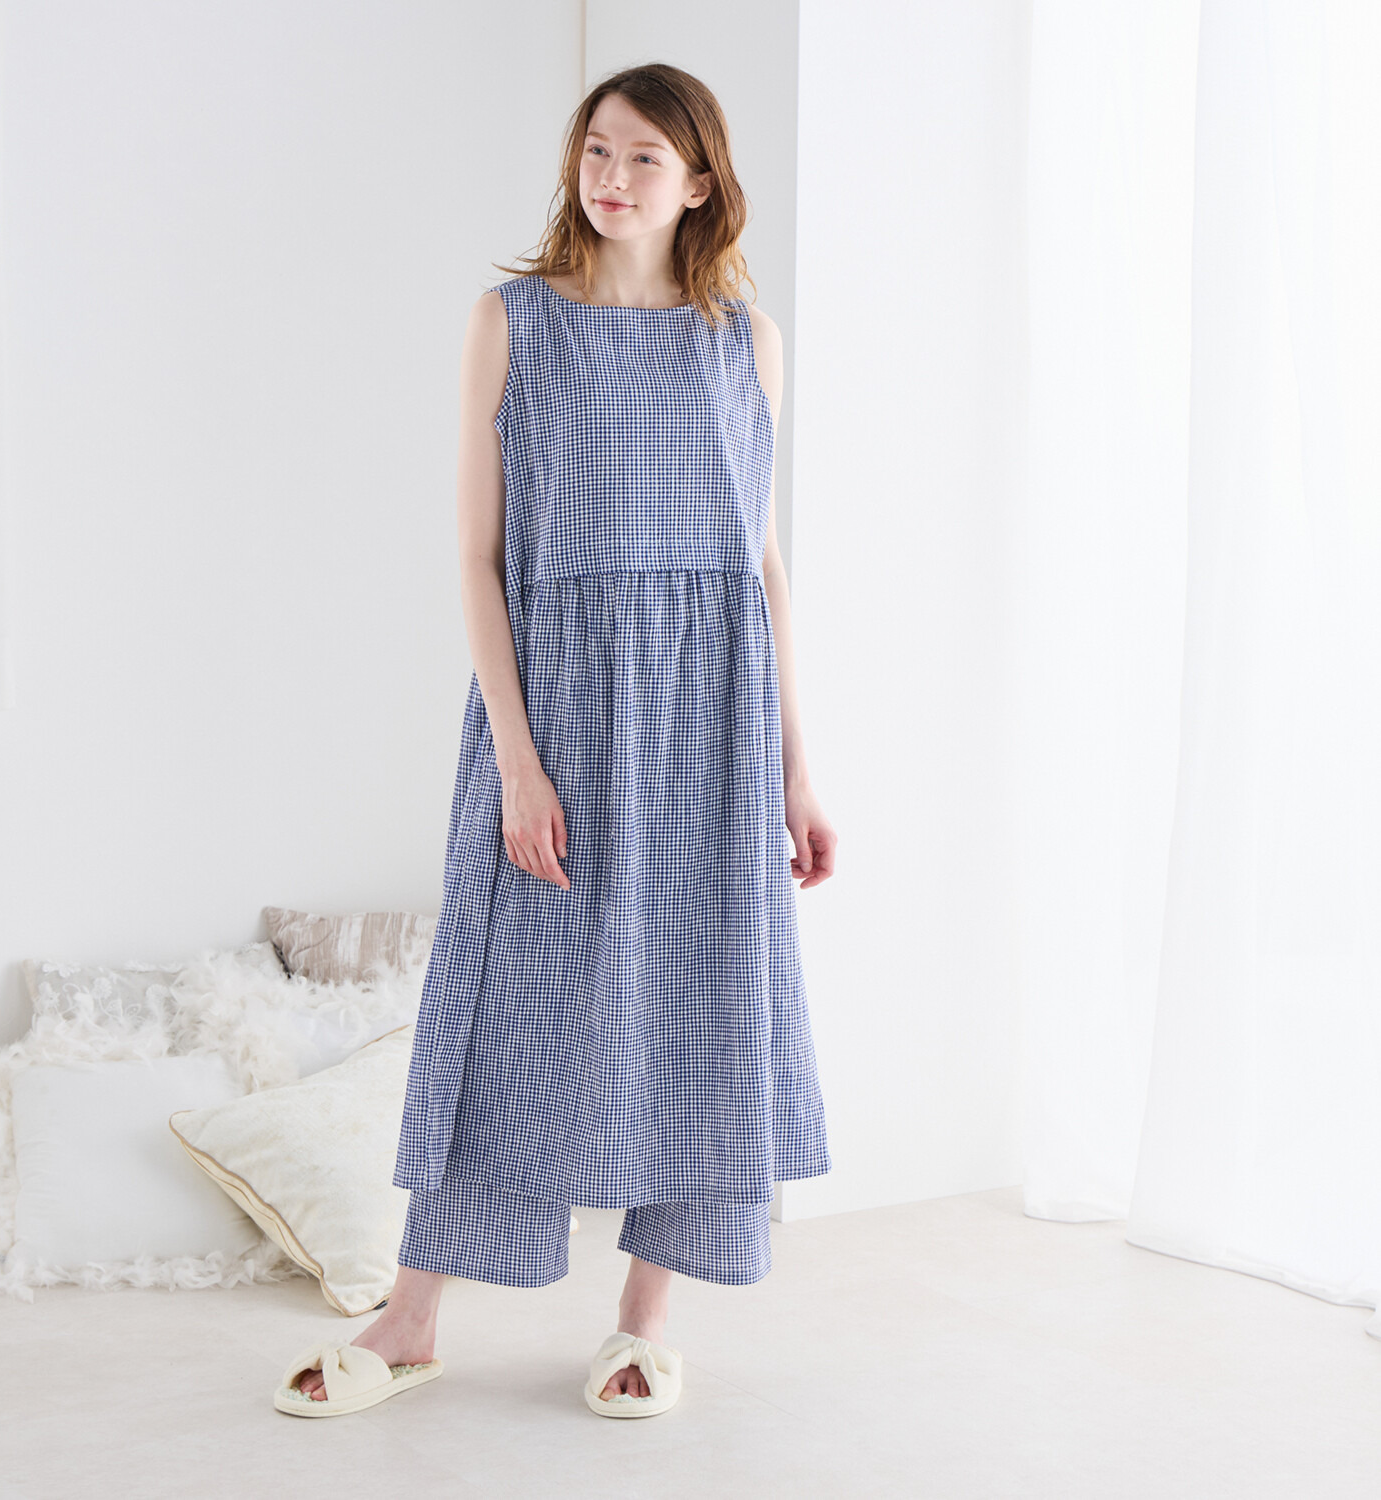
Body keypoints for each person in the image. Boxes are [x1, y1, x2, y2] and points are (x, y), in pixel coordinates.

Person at [278, 61, 837, 1421]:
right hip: (559, 714)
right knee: (499, 1013)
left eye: (645, 157)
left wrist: (797, 769)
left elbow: (760, 568)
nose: (613, 176)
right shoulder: (513, 321)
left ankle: (645, 1322)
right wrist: (519, 766)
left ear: (698, 184)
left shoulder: (747, 340)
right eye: (598, 149)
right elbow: (479, 560)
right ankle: (413, 1316)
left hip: (711, 726)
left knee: (701, 1005)